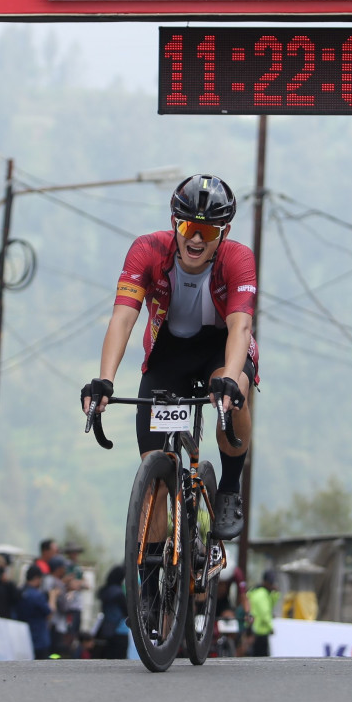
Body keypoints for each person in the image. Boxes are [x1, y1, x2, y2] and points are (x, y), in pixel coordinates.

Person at [81, 174, 258, 547]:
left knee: (235, 392)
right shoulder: (147, 250)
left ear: (224, 233)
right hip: (168, 354)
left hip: (221, 348)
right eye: (189, 228)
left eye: (208, 232)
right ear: (174, 223)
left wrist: (229, 378)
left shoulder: (238, 258)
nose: (196, 239)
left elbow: (240, 326)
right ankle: (151, 569)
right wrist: (105, 380)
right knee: (156, 481)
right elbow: (123, 317)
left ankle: (229, 488)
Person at [16, 566, 53, 660]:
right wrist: (53, 596)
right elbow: (49, 613)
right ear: (37, 578)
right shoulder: (37, 595)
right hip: (38, 639)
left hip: (21, 638)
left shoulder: (20, 592)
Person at [94, 564, 129, 660]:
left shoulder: (105, 591)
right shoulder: (119, 593)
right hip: (120, 629)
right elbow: (126, 611)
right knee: (120, 658)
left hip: (107, 629)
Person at [247, 569, 281, 657]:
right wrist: (270, 627)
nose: (271, 585)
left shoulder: (261, 592)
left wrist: (275, 594)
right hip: (260, 631)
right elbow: (265, 613)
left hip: (256, 630)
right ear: (265, 582)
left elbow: (271, 605)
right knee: (262, 657)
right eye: (270, 583)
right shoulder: (262, 595)